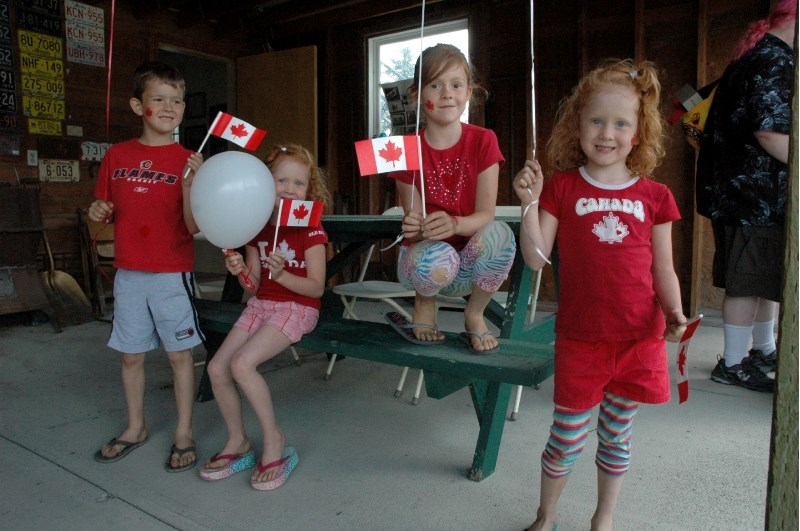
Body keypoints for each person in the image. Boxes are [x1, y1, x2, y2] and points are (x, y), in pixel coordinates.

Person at [514, 59, 688, 531]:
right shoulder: (563, 187)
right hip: (581, 339)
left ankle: (603, 519)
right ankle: (545, 515)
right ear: (577, 125)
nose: (606, 132)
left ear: (638, 133)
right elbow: (535, 258)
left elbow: (663, 268)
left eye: (620, 123)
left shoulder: (655, 196)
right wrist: (530, 203)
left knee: (616, 436)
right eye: (595, 120)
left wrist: (675, 311)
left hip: (638, 339)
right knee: (566, 437)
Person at [90, 61, 204, 472]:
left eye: (177, 100)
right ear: (139, 106)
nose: (170, 106)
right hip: (129, 275)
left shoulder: (190, 160)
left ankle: (184, 432)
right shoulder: (117, 156)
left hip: (173, 274)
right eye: (159, 98)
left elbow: (193, 226)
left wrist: (192, 186)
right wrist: (98, 208)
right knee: (131, 355)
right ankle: (135, 427)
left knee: (179, 356)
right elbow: (102, 210)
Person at [199, 143, 331, 490]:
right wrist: (241, 268)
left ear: (309, 190)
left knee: (242, 365)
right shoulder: (256, 229)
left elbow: (317, 288)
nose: (289, 189)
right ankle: (237, 439)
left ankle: (273, 438)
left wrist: (285, 276)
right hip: (262, 306)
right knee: (216, 368)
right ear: (263, 184)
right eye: (281, 181)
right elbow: (254, 288)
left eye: (298, 183)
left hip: (298, 309)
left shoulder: (311, 229)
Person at [387, 43, 516, 353]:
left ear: (468, 91)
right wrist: (415, 225)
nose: (447, 93)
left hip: (469, 268)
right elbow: (415, 228)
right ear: (417, 95)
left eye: (456, 84)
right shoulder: (406, 148)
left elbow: (485, 215)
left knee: (501, 234)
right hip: (424, 263)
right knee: (436, 254)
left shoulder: (484, 141)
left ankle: (474, 313)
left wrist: (455, 224)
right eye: (435, 84)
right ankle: (424, 302)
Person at [696, 0, 795, 393]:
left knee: (765, 276)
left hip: (750, 193)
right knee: (746, 281)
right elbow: (770, 133)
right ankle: (733, 363)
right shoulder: (773, 60)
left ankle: (763, 349)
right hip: (749, 195)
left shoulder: (763, 54)